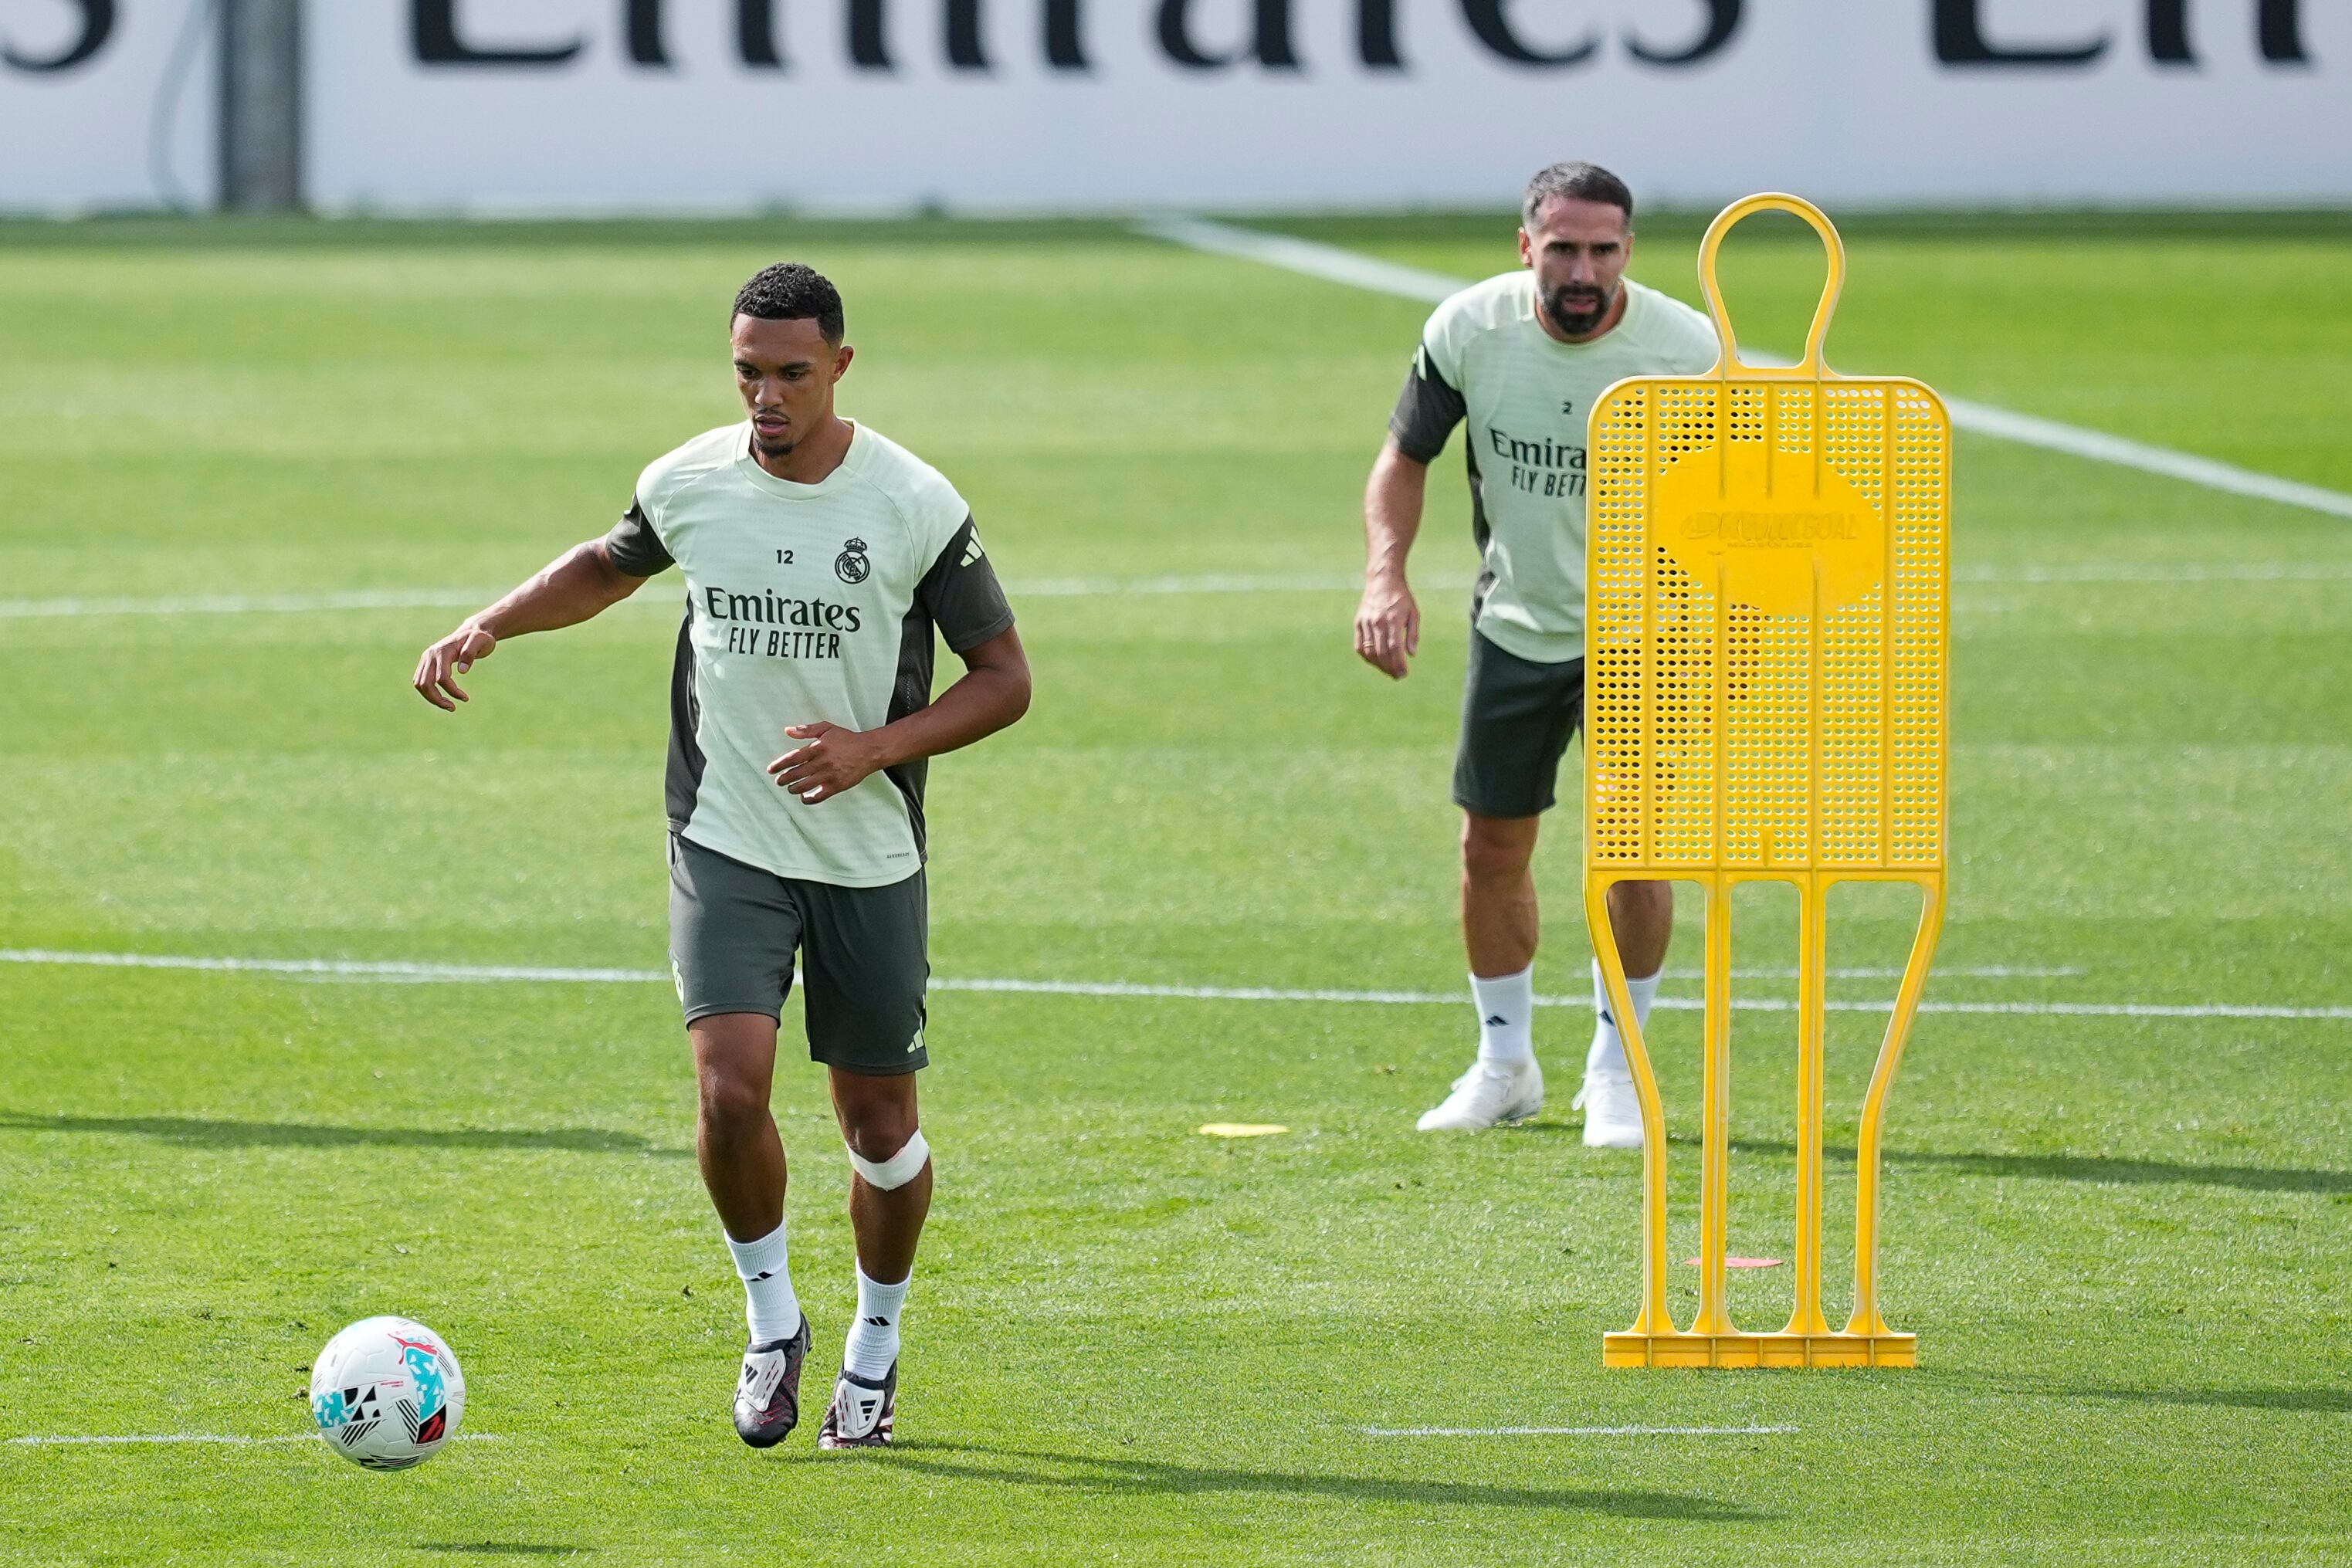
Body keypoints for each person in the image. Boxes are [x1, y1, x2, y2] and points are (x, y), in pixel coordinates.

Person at [412, 262, 1030, 1450]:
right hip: (725, 837)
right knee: (728, 1090)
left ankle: (876, 1341)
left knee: (879, 1128)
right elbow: (609, 562)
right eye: (748, 371)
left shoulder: (911, 501)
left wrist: (873, 749)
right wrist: (491, 621)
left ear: (840, 367)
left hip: (864, 852)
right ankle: (770, 1322)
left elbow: (1006, 679)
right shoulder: (688, 480)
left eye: (792, 373)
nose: (767, 395)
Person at [1353, 162, 1718, 1143]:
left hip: (1649, 634)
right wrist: (1386, 574)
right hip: (1515, 622)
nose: (1582, 269)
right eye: (1562, 248)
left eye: (1603, 249)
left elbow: (1737, 503)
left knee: (1634, 856)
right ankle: (1504, 1063)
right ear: (1527, 248)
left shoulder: (1685, 351)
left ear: (1628, 252)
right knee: (1490, 847)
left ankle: (1620, 1072)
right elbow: (1404, 458)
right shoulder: (1470, 330)